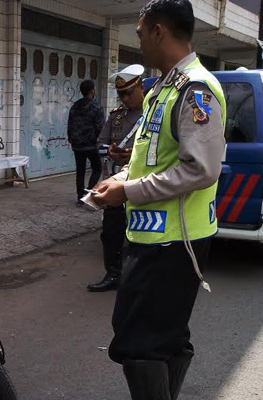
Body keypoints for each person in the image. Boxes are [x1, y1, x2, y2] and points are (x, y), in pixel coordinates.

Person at [93, 1, 226, 399]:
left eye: (139, 34)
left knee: (138, 344)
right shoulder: (161, 90)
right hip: (151, 238)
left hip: (172, 244)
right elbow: (148, 158)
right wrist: (117, 180)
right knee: (165, 337)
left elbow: (201, 169)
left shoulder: (195, 89)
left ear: (159, 31)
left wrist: (127, 191)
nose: (139, 45)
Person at [87, 65, 145, 292]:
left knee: (140, 236)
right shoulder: (116, 117)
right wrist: (110, 152)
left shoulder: (152, 115)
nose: (126, 98)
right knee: (111, 233)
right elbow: (99, 144)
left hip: (143, 184)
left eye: (130, 92)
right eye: (121, 94)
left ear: (141, 87)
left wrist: (134, 154)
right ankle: (113, 275)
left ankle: (138, 279)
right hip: (115, 183)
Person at [68, 80, 105, 205]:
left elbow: (70, 125)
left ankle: (80, 197)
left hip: (77, 145)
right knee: (97, 168)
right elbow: (100, 127)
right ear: (91, 91)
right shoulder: (96, 107)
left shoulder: (75, 106)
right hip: (91, 145)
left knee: (80, 170)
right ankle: (89, 192)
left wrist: (72, 140)